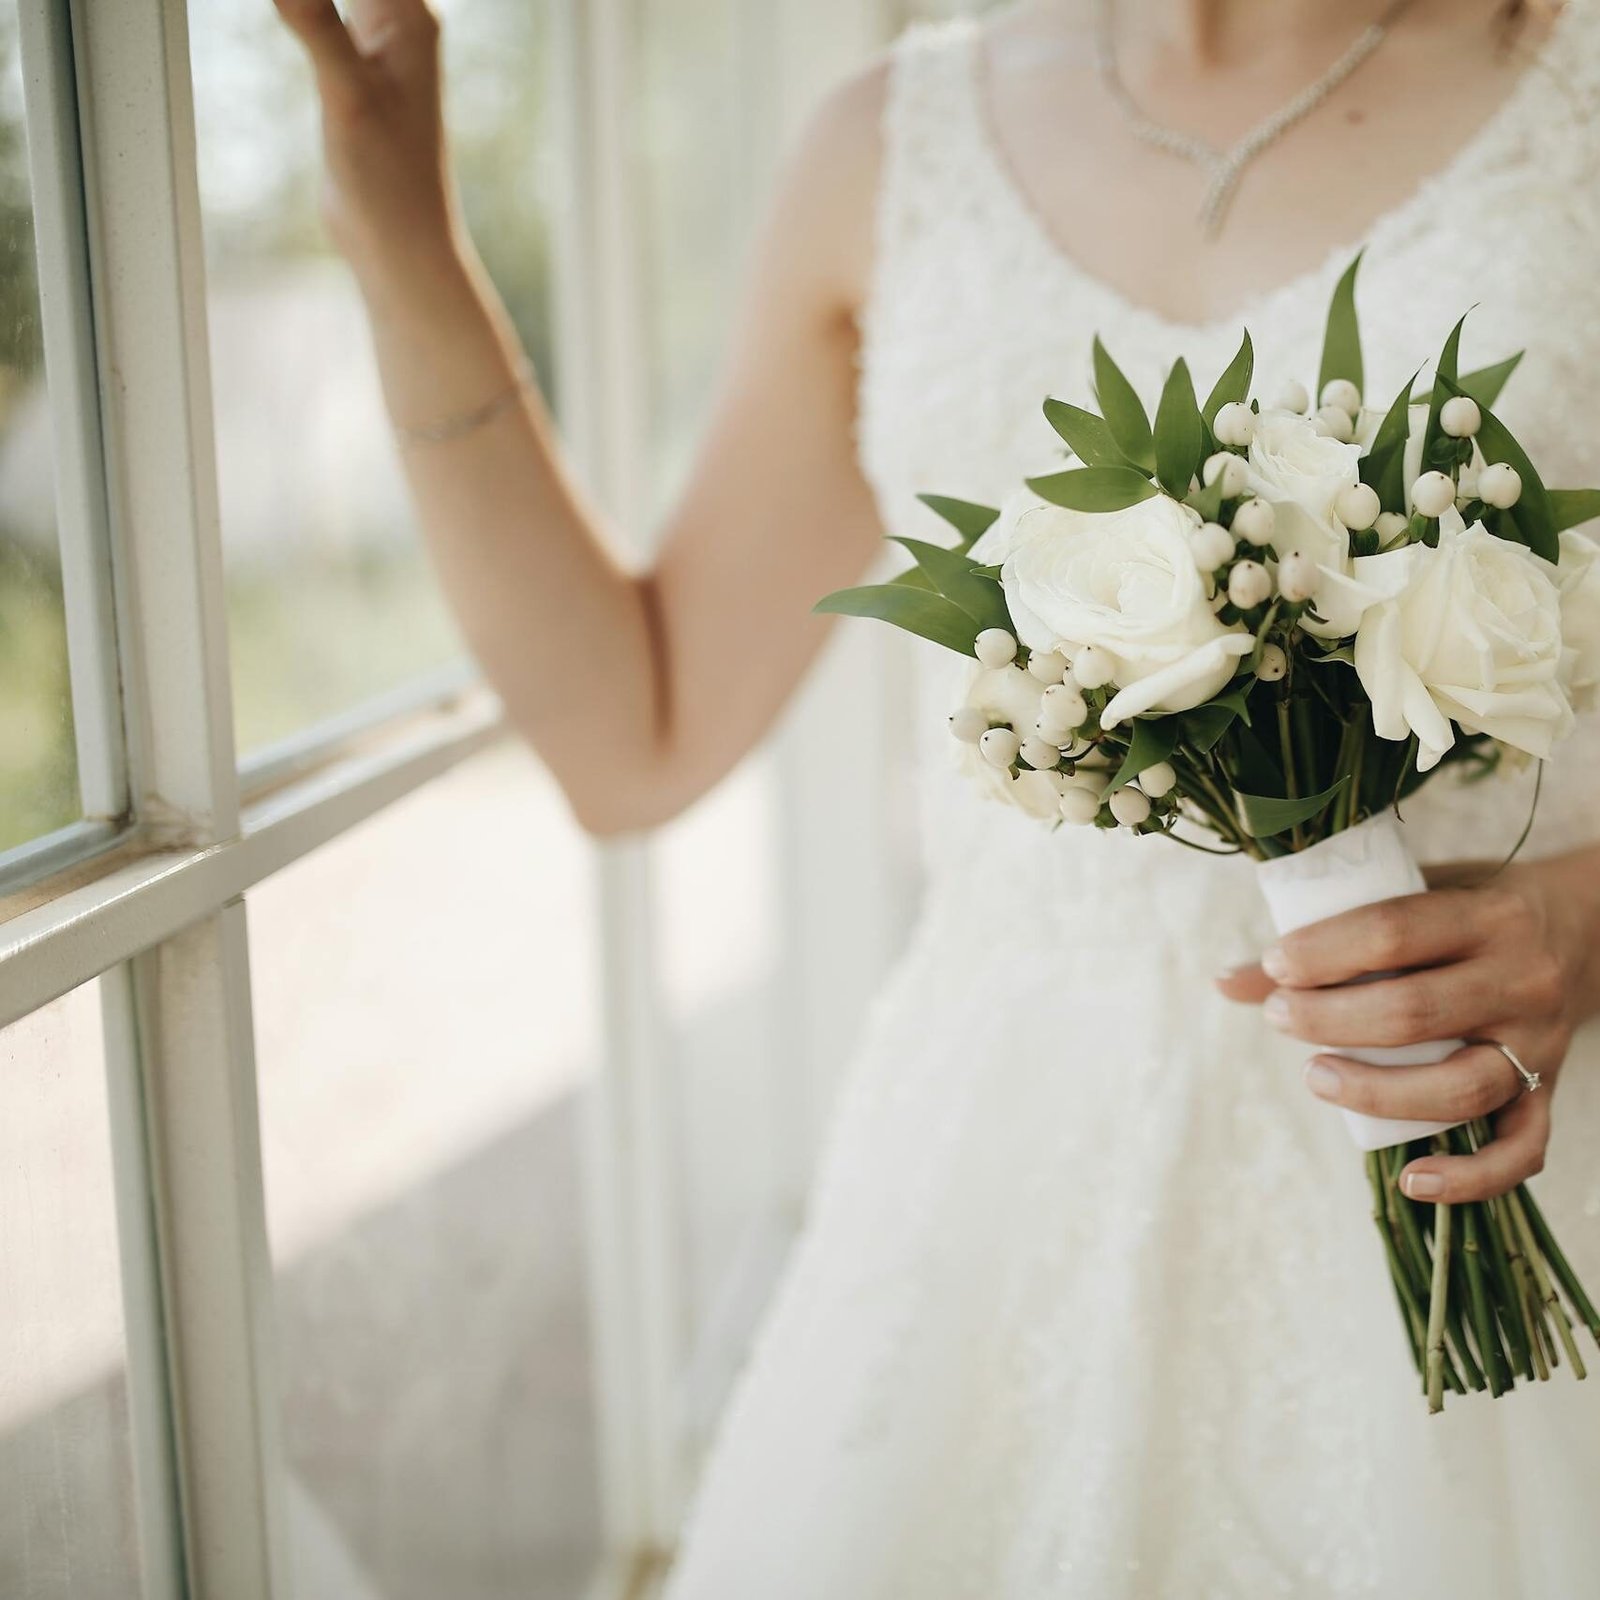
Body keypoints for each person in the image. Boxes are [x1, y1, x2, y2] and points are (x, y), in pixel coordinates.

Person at [273, 0, 1600, 1591]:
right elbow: (639, 734)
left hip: (1515, 1146)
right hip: (994, 1205)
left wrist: (1588, 906)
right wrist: (404, 239)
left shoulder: (1568, 82)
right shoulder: (886, 145)